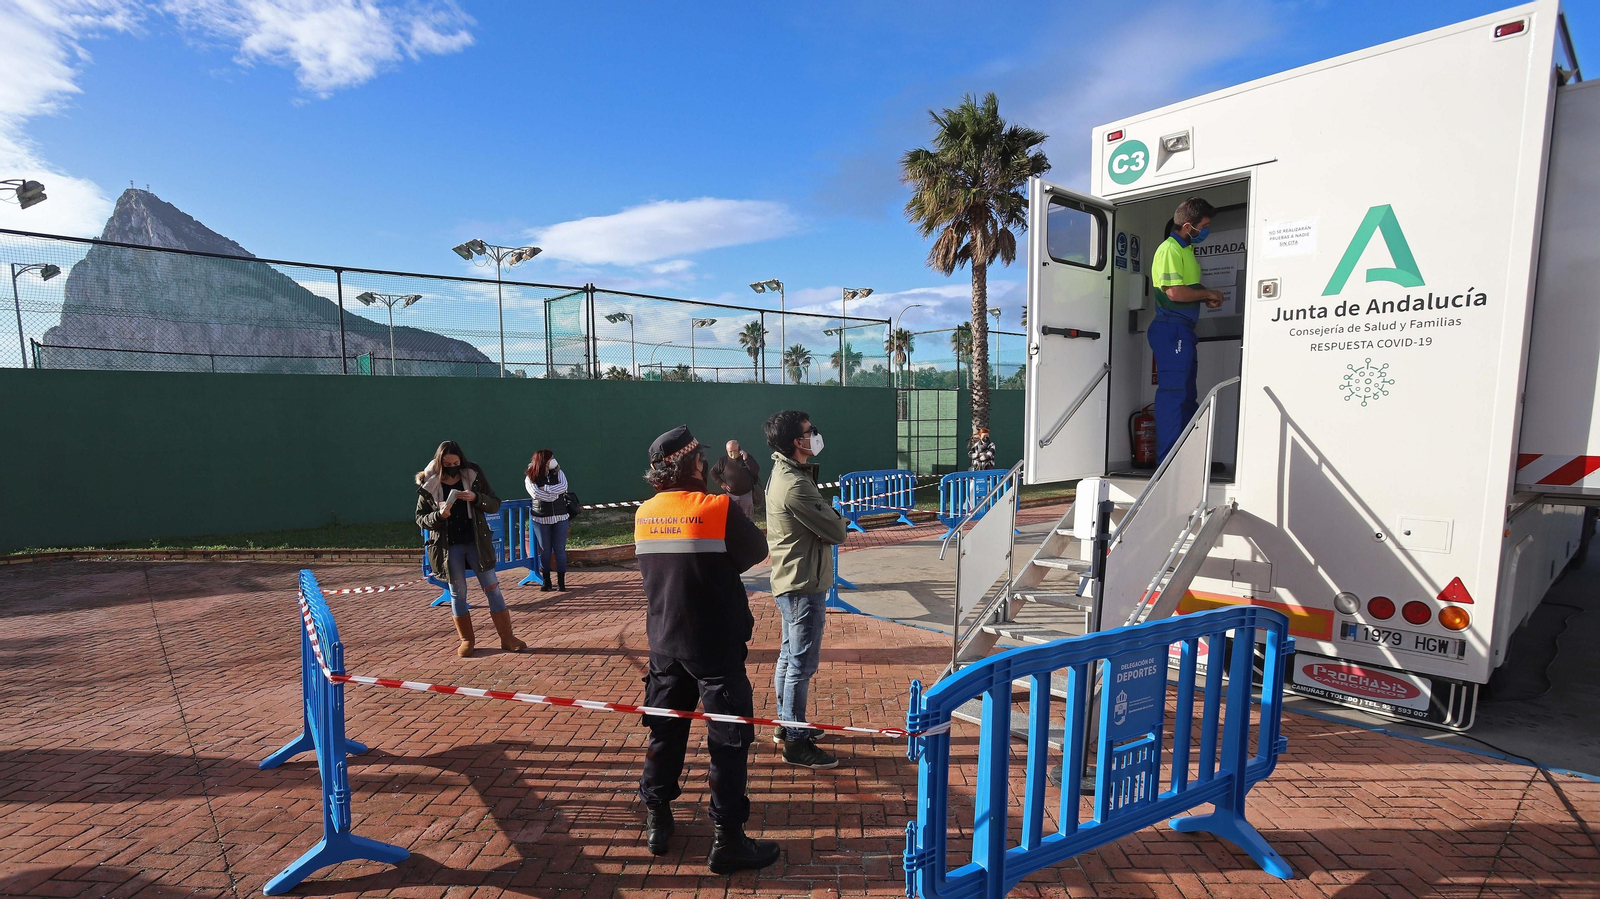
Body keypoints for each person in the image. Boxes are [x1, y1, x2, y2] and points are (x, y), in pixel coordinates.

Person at [634, 425, 779, 874]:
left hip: (663, 644)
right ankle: (728, 839)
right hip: (715, 645)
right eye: (701, 460)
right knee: (728, 743)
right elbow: (755, 550)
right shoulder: (715, 507)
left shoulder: (644, 512)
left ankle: (658, 820)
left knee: (664, 734)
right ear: (693, 463)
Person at [763, 410, 849, 770]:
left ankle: (788, 726)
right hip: (801, 584)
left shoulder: (788, 474)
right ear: (797, 442)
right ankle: (795, 742)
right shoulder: (794, 484)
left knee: (789, 656)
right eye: (810, 431)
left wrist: (827, 520)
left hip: (793, 580)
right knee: (801, 663)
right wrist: (835, 518)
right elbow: (837, 531)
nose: (816, 435)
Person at [416, 440, 525, 658]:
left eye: (456, 462)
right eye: (447, 464)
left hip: (476, 543)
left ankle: (507, 637)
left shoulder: (472, 475)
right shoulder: (430, 483)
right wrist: (439, 515)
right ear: (439, 462)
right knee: (458, 593)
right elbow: (420, 518)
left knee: (492, 588)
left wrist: (476, 498)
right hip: (449, 547)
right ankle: (467, 640)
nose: (452, 467)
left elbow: (494, 502)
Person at [1148, 197, 1225, 462]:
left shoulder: (1186, 250)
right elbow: (1174, 293)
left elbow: (1185, 291)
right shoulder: (1169, 249)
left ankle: (1186, 459)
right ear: (1189, 225)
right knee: (1174, 394)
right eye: (1203, 226)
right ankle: (1168, 461)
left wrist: (1204, 296)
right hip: (1171, 329)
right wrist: (1207, 293)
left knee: (1187, 395)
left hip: (1182, 329)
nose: (1205, 231)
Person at [524, 448, 571, 592]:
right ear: (543, 461)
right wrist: (552, 493)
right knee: (545, 550)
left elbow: (564, 487)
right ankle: (546, 580)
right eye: (550, 458)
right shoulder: (530, 476)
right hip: (541, 517)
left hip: (560, 516)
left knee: (560, 549)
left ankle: (561, 582)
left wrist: (546, 489)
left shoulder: (558, 472)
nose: (553, 461)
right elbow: (535, 493)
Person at [710, 439, 762, 518]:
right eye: (730, 451)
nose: (732, 453)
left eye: (735, 451)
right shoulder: (723, 461)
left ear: (739, 449)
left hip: (746, 494)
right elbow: (713, 472)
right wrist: (721, 483)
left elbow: (755, 471)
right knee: (732, 518)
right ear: (726, 451)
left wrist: (746, 459)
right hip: (731, 495)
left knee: (747, 518)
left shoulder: (746, 458)